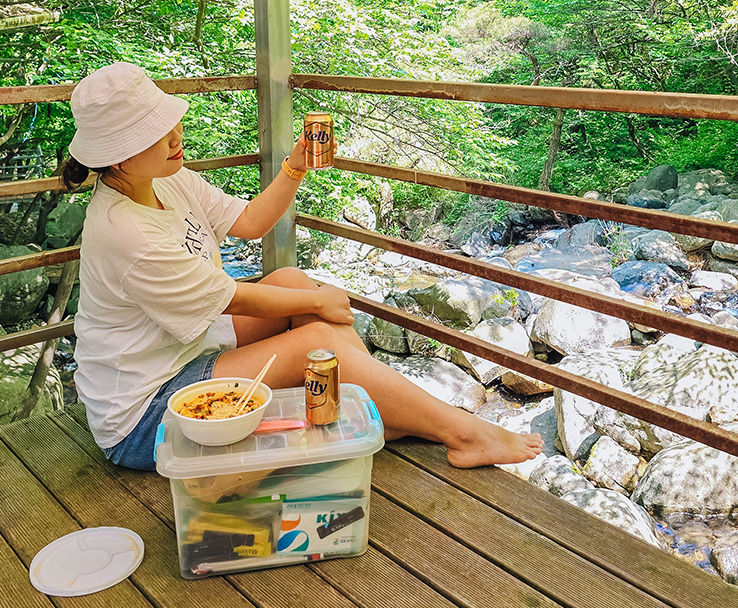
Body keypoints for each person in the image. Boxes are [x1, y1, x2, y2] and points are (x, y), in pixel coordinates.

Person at [63, 63, 544, 472]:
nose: (174, 136)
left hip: (189, 351)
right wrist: (319, 300)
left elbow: (249, 222)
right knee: (312, 337)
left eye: (168, 121)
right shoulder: (123, 229)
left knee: (290, 280)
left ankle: (366, 410)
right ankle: (460, 432)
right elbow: (230, 296)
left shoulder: (170, 179)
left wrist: (294, 168)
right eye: (153, 133)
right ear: (117, 157)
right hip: (149, 414)